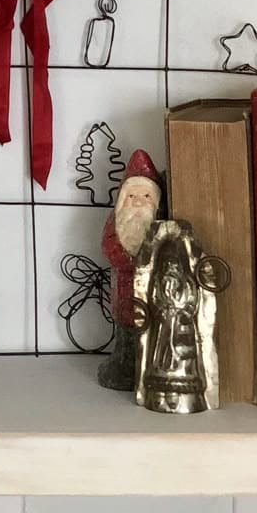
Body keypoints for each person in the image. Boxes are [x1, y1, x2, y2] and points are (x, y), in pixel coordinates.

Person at [97, 148, 162, 390]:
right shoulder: (115, 224)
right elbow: (108, 245)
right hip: (123, 289)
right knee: (125, 330)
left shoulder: (158, 226)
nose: (138, 202)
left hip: (150, 292)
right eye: (132, 195)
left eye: (146, 196)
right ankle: (124, 366)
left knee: (150, 327)